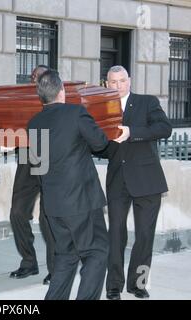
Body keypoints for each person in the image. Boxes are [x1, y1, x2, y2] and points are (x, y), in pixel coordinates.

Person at [28, 69, 111, 300]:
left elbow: (38, 166)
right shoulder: (76, 113)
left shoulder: (33, 123)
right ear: (62, 90)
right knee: (97, 251)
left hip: (53, 205)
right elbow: (100, 143)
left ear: (41, 95)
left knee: (66, 256)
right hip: (81, 201)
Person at [103, 66, 172, 300]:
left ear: (129, 81)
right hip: (117, 181)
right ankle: (113, 286)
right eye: (113, 82)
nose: (118, 85)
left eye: (122, 80)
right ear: (106, 84)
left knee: (145, 236)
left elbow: (164, 128)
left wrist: (132, 131)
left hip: (147, 180)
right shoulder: (102, 109)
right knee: (115, 236)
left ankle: (138, 284)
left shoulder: (147, 102)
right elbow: (100, 145)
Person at [9, 65, 55, 285]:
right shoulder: (22, 101)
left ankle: (56, 269)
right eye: (33, 77)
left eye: (40, 77)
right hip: (27, 162)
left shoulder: (57, 100)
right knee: (17, 213)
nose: (35, 80)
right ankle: (29, 262)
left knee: (48, 219)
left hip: (50, 163)